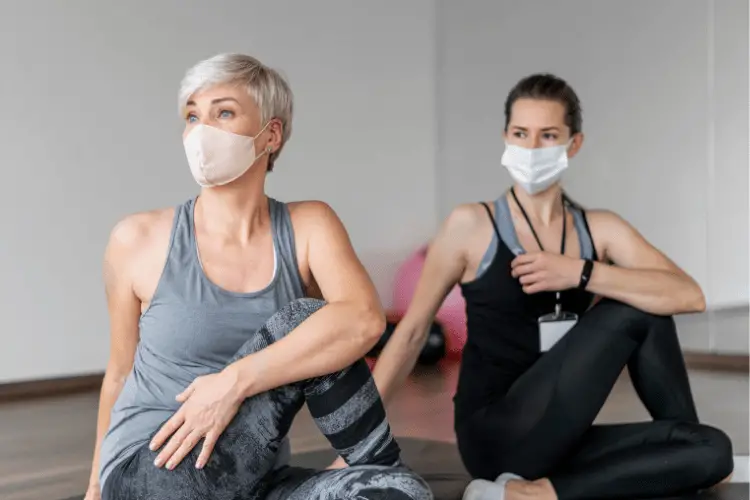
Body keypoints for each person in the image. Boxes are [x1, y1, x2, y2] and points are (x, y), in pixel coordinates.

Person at [367, 73, 734, 500]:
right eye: (521, 134)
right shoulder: (471, 225)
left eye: (548, 135)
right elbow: (411, 333)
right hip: (495, 435)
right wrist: (355, 443)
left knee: (712, 450)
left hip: (561, 435)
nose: (532, 148)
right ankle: (518, 485)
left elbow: (689, 295)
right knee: (634, 306)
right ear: (506, 137)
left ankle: (532, 493)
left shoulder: (599, 228)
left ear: (573, 144)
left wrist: (581, 272)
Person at [84, 53, 432, 500]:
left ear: (271, 134)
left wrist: (234, 382)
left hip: (251, 478)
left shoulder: (309, 225)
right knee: (305, 319)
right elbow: (119, 371)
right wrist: (95, 489)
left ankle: (376, 467)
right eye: (193, 115)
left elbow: (364, 321)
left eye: (223, 112)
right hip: (156, 470)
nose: (201, 130)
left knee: (402, 492)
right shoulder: (136, 238)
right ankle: (377, 463)